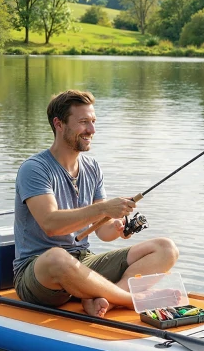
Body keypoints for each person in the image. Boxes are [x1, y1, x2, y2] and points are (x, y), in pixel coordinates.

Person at [13, 89, 179, 318]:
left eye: (93, 121)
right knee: (57, 256)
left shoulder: (92, 168)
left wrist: (116, 225)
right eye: (83, 122)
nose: (91, 130)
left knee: (166, 248)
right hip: (39, 274)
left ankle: (105, 302)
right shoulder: (35, 169)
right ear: (59, 124)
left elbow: (103, 231)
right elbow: (51, 224)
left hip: (83, 261)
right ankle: (130, 300)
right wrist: (103, 208)